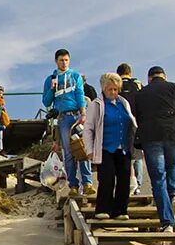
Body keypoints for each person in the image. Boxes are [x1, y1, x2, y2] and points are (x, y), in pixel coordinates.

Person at [131, 65, 175, 232]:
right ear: (164, 76)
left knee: (158, 178)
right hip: (172, 134)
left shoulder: (140, 94)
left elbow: (135, 117)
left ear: (149, 79)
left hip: (151, 137)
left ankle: (167, 222)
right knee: (172, 165)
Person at [83, 73, 137, 222]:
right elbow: (88, 128)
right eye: (109, 89)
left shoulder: (123, 102)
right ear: (104, 89)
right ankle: (103, 209)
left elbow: (131, 122)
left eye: (115, 89)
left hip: (123, 147)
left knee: (124, 178)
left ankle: (120, 210)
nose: (113, 92)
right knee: (107, 178)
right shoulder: (96, 104)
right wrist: (89, 149)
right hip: (105, 147)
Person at [41, 49, 94, 196]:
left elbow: (80, 94)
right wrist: (52, 88)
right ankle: (73, 185)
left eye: (66, 60)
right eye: (61, 60)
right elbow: (46, 101)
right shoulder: (50, 78)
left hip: (76, 115)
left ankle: (87, 182)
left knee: (82, 148)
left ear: (69, 60)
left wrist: (83, 112)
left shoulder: (75, 76)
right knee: (69, 153)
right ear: (56, 61)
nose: (63, 63)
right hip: (63, 118)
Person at [116, 63, 146, 195]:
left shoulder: (116, 85)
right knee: (137, 155)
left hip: (119, 123)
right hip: (136, 122)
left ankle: (123, 183)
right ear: (130, 73)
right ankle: (137, 186)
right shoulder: (138, 85)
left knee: (121, 154)